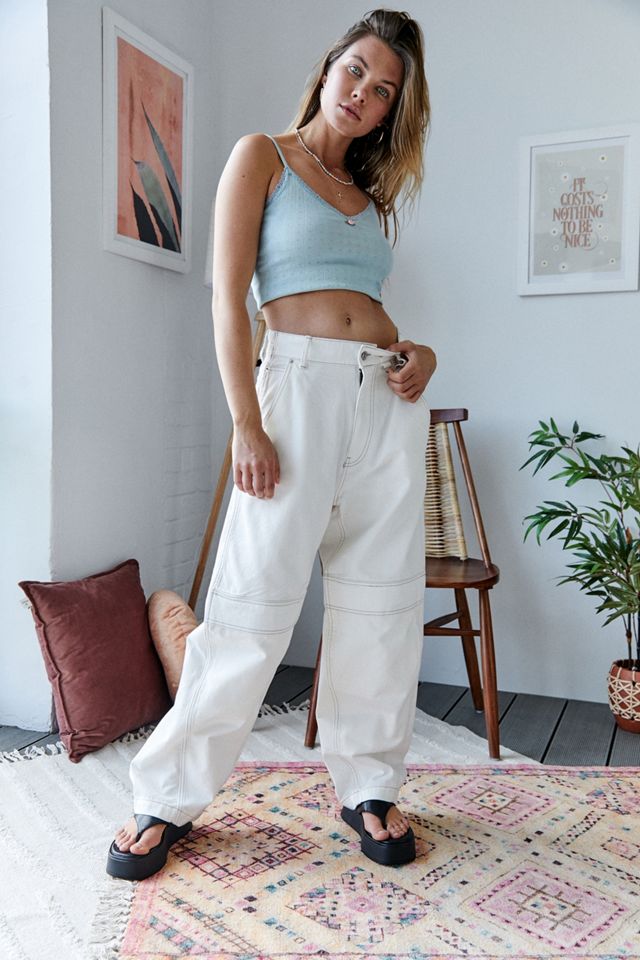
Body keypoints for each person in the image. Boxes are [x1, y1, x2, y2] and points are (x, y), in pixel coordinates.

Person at [107, 7, 436, 882]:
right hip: (293, 393)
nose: (363, 93)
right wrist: (246, 420)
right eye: (356, 70)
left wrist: (422, 355)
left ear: (391, 110)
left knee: (380, 607)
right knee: (250, 606)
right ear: (329, 68)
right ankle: (165, 796)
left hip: (384, 400)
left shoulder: (368, 200)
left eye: (384, 90)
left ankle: (369, 786)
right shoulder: (263, 156)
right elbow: (227, 299)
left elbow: (373, 313)